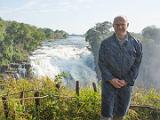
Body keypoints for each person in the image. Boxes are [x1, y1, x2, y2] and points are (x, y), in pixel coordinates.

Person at [98, 16, 142, 120]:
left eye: (123, 24)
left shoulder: (136, 44)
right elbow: (102, 63)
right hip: (109, 84)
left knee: (120, 114)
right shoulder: (106, 43)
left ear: (128, 25)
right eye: (117, 25)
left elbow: (137, 64)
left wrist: (127, 80)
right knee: (106, 114)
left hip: (125, 86)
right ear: (113, 26)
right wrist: (111, 79)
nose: (120, 27)